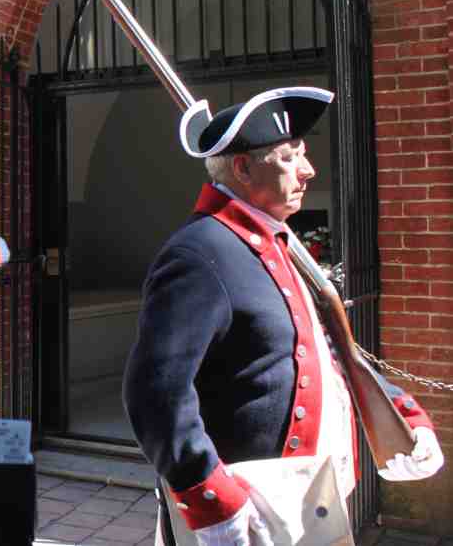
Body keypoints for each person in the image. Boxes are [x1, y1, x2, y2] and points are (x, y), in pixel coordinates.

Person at [123, 87, 444, 546]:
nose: (308, 170)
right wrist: (212, 499)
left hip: (310, 500)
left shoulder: (275, 242)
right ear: (243, 166)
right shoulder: (199, 254)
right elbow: (155, 393)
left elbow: (324, 352)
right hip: (253, 509)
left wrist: (405, 415)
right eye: (290, 156)